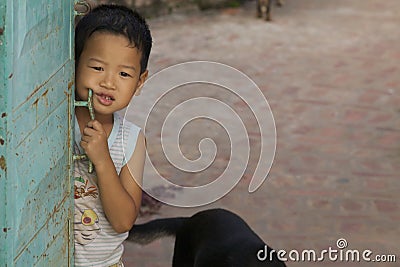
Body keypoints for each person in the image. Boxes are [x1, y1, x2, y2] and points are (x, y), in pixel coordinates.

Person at [73, 4, 152, 266]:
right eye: (97, 68)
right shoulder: (51, 124)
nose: (108, 82)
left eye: (124, 74)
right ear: (74, 63)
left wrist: (103, 160)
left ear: (139, 82)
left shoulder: (131, 140)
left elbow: (122, 222)